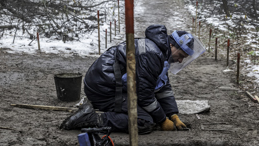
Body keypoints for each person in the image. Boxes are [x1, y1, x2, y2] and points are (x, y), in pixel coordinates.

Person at [60, 24, 205, 134]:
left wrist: (173, 114)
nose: (180, 61)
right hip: (104, 89)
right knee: (145, 121)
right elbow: (145, 95)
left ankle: (98, 111)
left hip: (105, 83)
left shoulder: (159, 53)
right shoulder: (153, 55)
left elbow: (162, 87)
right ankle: (93, 118)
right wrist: (162, 120)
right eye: (180, 55)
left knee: (152, 112)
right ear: (172, 45)